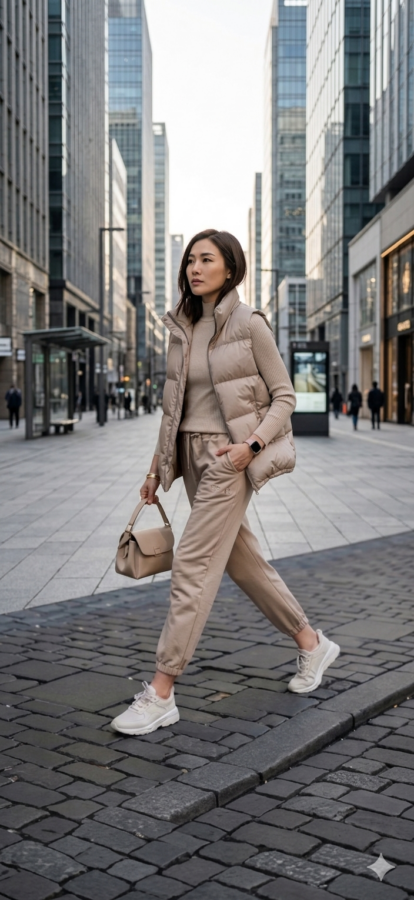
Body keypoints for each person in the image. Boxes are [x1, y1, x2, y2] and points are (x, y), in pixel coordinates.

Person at [111, 229, 340, 737]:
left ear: (230, 269)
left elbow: (285, 396)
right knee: (243, 560)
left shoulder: (249, 323)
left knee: (193, 564)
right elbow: (173, 410)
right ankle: (311, 643)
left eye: (206, 260)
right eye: (190, 260)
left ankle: (161, 692)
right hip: (188, 456)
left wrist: (250, 447)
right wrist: (155, 470)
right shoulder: (181, 325)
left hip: (228, 459)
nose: (195, 268)